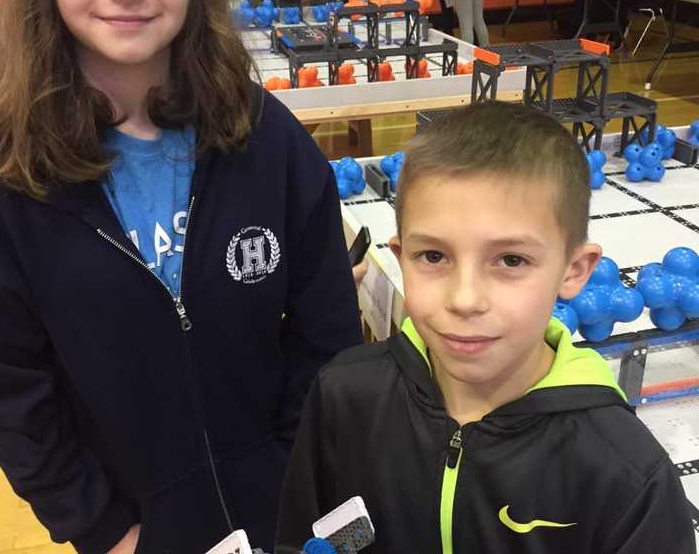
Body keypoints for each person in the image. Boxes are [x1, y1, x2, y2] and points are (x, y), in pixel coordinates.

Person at [0, 0, 363, 554]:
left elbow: (328, 337)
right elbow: (7, 389)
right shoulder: (6, 175)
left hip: (288, 511)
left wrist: (300, 474)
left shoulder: (264, 138)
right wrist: (107, 530)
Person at [276, 100, 695, 554]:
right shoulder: (344, 396)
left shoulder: (626, 476)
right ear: (401, 259)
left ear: (575, 270)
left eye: (511, 260)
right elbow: (309, 534)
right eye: (433, 256)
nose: (465, 299)